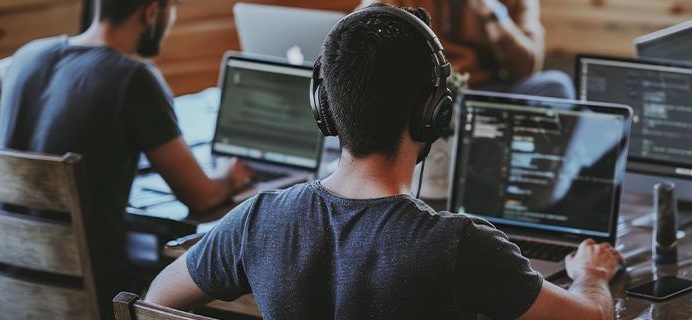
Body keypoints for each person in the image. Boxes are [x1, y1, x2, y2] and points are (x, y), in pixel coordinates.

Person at [145, 5, 622, 319]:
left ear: (325, 107)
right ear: (433, 113)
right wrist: (592, 277)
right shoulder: (459, 244)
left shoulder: (255, 220)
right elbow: (592, 319)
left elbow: (155, 303)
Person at [0, 0, 252, 315]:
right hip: (98, 295)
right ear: (150, 12)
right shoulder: (133, 78)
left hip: (10, 290)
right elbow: (199, 197)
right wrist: (231, 176)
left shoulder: (24, 58)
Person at [360, 0, 574, 99]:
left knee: (556, 86)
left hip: (488, 93)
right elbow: (358, 28)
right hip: (423, 93)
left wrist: (494, 14)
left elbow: (528, 69)